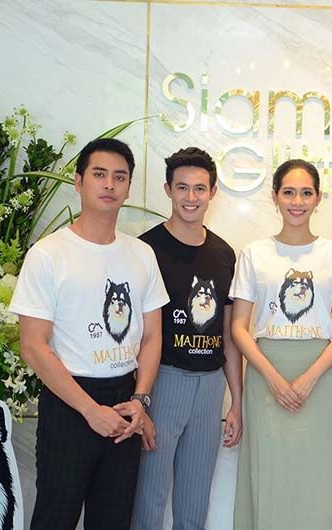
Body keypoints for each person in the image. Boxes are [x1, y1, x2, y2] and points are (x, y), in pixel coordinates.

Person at [10, 138, 169, 530]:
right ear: (79, 182)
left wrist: (140, 399)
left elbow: (152, 336)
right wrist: (88, 410)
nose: (109, 184)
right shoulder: (48, 254)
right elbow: (33, 346)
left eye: (120, 177)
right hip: (69, 402)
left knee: (114, 520)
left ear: (128, 188)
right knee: (55, 517)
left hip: (125, 402)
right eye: (99, 174)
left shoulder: (141, 254)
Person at [230, 159, 332, 530]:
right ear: (274, 196)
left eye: (306, 193)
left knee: (317, 476)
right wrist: (272, 377)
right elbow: (239, 327)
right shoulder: (254, 253)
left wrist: (310, 378)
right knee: (268, 473)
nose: (297, 201)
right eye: (289, 192)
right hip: (265, 372)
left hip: (320, 374)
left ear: (318, 197)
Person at [131, 147, 242, 530]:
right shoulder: (145, 250)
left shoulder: (224, 253)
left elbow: (228, 335)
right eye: (182, 187)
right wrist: (140, 396)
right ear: (168, 189)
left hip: (210, 388)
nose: (191, 197)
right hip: (162, 382)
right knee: (148, 498)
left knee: (195, 502)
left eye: (199, 188)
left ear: (213, 192)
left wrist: (237, 401)